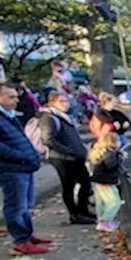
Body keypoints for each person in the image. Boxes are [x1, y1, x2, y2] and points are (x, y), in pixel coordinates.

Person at [0, 82, 48, 255]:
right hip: (10, 168)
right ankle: (21, 240)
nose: (16, 101)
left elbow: (19, 137)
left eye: (16, 96)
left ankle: (27, 235)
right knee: (16, 205)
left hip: (23, 165)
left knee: (26, 204)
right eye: (11, 97)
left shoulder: (6, 114)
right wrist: (19, 156)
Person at [38, 88, 95, 225]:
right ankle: (75, 215)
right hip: (62, 158)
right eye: (61, 101)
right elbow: (48, 139)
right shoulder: (49, 118)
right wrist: (70, 151)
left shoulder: (64, 117)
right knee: (69, 186)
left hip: (75, 157)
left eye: (67, 101)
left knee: (85, 183)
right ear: (52, 102)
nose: (65, 104)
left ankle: (83, 210)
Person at [87, 113, 123, 231]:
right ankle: (105, 221)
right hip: (106, 181)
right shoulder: (111, 154)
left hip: (98, 180)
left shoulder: (101, 152)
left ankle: (101, 220)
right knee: (114, 202)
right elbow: (110, 165)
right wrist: (120, 157)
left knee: (101, 201)